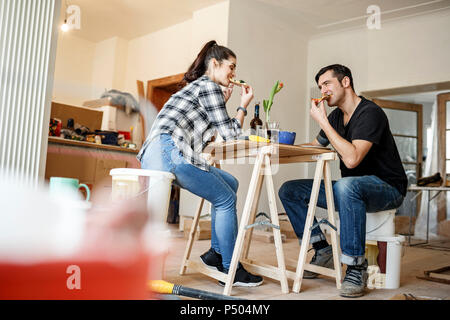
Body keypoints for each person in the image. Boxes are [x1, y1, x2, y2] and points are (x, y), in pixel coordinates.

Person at [137, 40, 263, 287]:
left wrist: (225, 106)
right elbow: (230, 135)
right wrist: (242, 107)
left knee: (231, 183)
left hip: (158, 153)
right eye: (231, 67)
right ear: (214, 64)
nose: (234, 74)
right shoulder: (209, 86)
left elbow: (207, 134)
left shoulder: (201, 88)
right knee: (226, 199)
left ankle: (216, 254)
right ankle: (231, 267)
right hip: (169, 152)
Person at [278, 64, 407, 298]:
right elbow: (318, 145)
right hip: (352, 191)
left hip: (387, 188)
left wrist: (322, 122)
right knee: (289, 190)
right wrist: (281, 147)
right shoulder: (337, 116)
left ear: (345, 82)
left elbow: (351, 159)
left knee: (348, 184)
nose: (323, 90)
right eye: (320, 86)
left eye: (327, 84)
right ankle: (322, 250)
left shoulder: (370, 113)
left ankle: (356, 267)